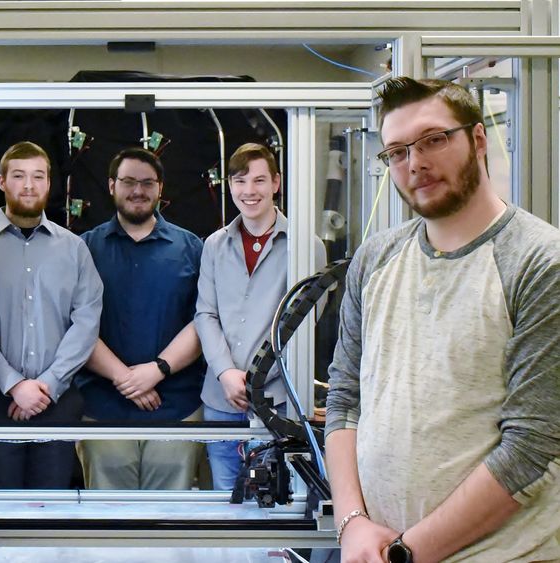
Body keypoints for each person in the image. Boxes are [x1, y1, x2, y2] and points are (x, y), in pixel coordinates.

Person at [325, 77, 560, 562]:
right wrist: (352, 525)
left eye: (433, 139)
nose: (416, 163)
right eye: (396, 151)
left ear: (477, 140)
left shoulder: (540, 262)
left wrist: (404, 552)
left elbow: (534, 445)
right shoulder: (374, 259)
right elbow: (345, 398)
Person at [0, 141, 102, 489]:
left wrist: (46, 385)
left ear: (49, 183)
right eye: (19, 176)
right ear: (2, 182)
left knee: (54, 513)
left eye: (37, 177)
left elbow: (87, 322)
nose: (29, 186)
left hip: (58, 402)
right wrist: (14, 384)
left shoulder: (74, 250)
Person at [194, 143, 327, 490]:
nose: (249, 191)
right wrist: (225, 373)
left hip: (278, 402)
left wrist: (255, 380)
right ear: (229, 185)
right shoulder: (214, 245)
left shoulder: (305, 246)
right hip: (221, 399)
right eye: (240, 182)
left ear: (276, 183)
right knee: (227, 505)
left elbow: (303, 327)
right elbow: (205, 314)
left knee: (276, 505)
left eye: (259, 181)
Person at [76, 147, 205, 490]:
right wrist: (124, 377)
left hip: (176, 406)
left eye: (147, 182)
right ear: (111, 185)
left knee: (170, 522)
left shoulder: (191, 248)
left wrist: (158, 370)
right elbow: (75, 326)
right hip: (103, 408)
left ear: (160, 188)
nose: (138, 190)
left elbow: (204, 320)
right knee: (108, 525)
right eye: (129, 181)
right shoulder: (83, 249)